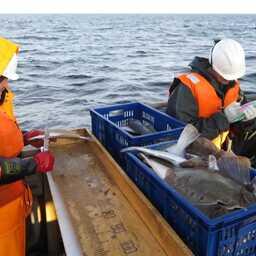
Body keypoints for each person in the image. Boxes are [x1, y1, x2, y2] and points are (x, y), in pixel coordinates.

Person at [0, 36, 55, 256]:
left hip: (12, 209)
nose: (6, 85)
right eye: (3, 79)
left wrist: (24, 137)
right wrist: (32, 164)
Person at [166, 38, 256, 166]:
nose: (228, 79)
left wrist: (247, 121)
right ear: (213, 66)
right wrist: (224, 118)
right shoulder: (187, 88)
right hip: (197, 157)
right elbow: (180, 137)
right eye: (224, 76)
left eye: (231, 76)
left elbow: (237, 130)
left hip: (224, 150)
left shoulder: (232, 85)